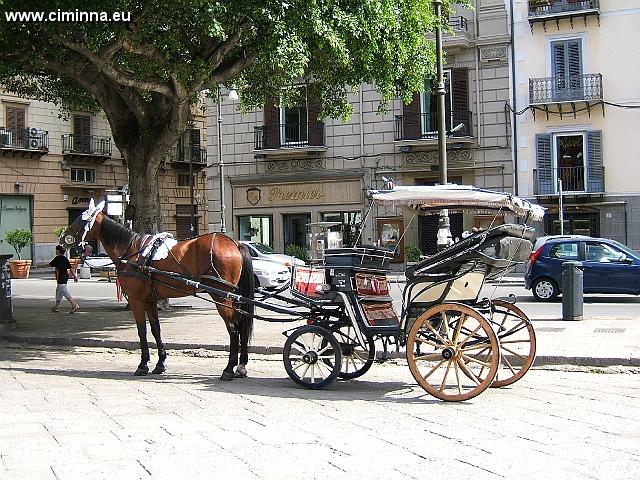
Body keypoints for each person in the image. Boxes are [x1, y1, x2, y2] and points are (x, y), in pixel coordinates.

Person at [49, 245, 80, 313]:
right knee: (59, 291)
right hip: (65, 276)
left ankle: (74, 305)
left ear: (58, 251)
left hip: (61, 277)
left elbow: (49, 264)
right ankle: (56, 307)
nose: (55, 251)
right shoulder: (65, 258)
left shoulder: (58, 258)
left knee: (63, 291)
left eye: (56, 250)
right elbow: (70, 268)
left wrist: (38, 266)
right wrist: (75, 276)